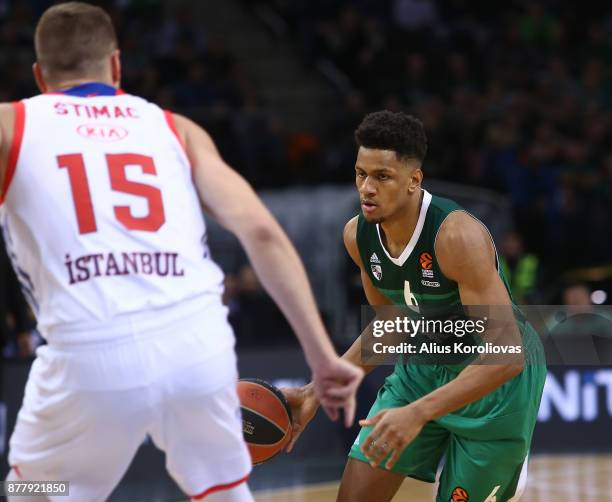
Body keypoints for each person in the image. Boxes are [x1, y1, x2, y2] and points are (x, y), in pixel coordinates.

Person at [0, 3, 363, 501]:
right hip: (196, 343)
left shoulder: (12, 125)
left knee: (36, 491)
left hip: (88, 352)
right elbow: (261, 231)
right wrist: (321, 358)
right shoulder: (176, 129)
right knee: (224, 492)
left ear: (40, 76)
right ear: (117, 66)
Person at [283, 111, 546, 501]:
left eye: (382, 176)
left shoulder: (457, 236)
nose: (367, 188)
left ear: (414, 180)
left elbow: (507, 356)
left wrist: (419, 413)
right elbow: (391, 325)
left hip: (493, 385)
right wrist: (315, 392)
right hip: (423, 367)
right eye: (361, 174)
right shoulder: (358, 236)